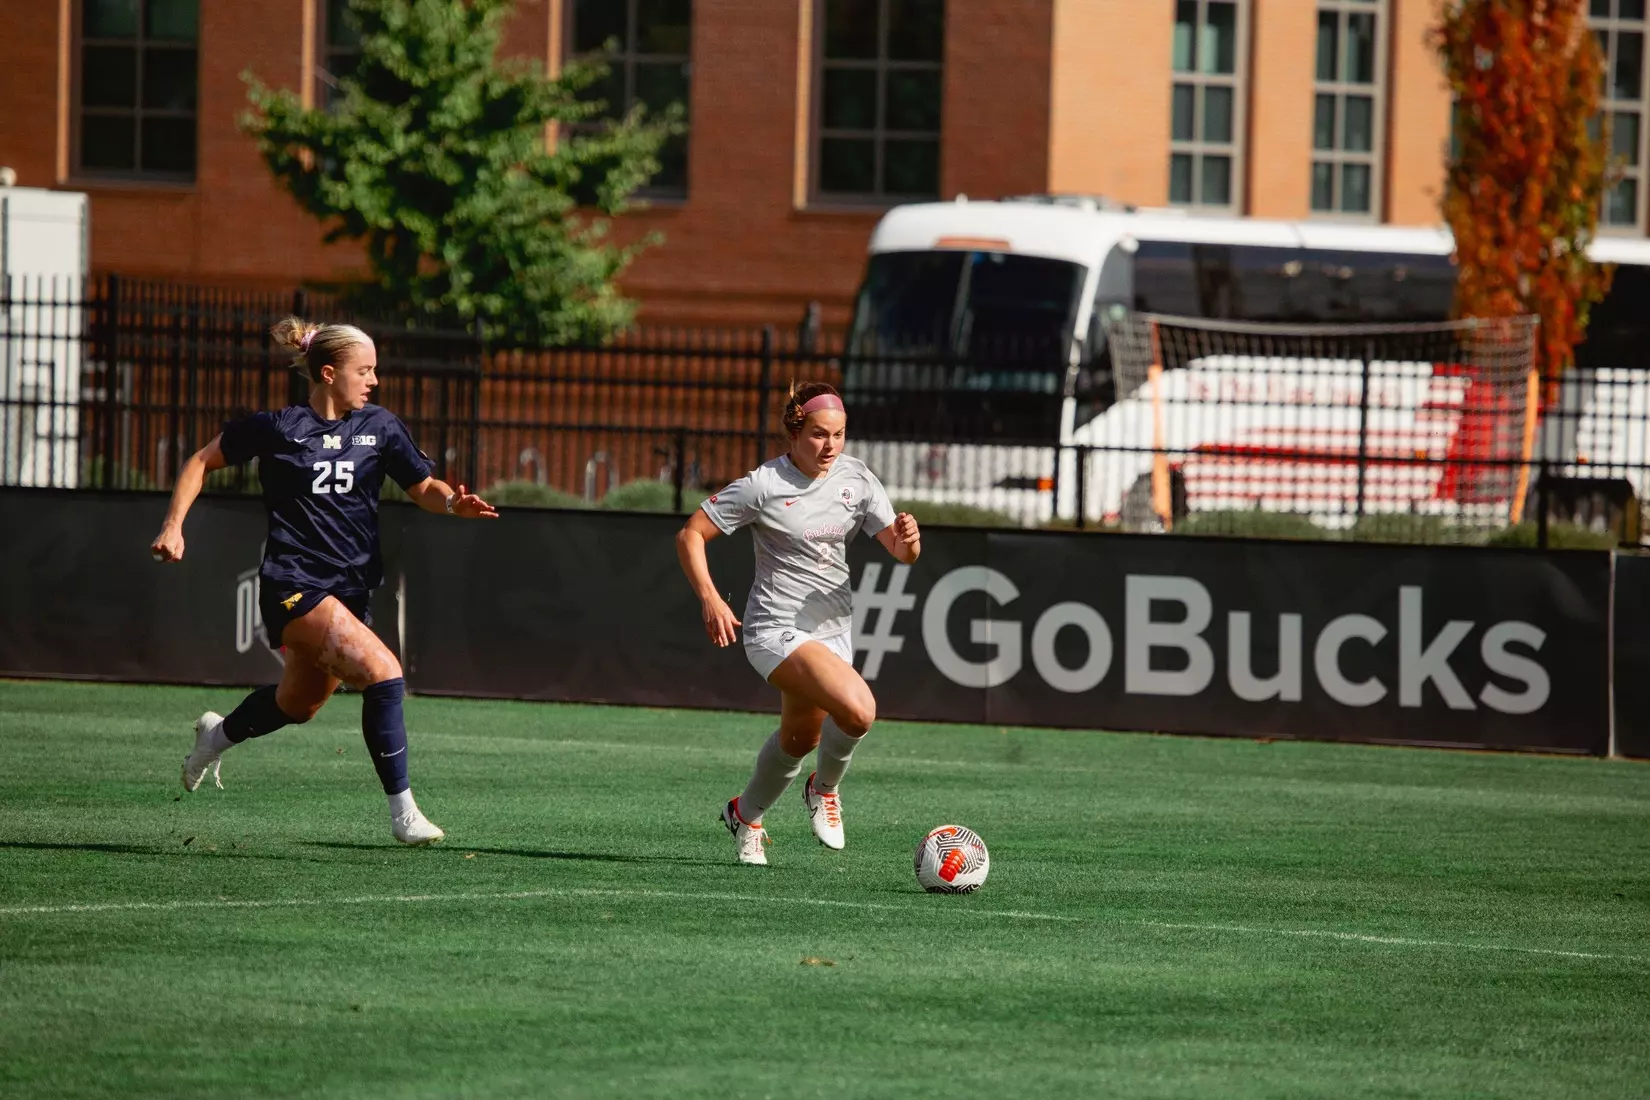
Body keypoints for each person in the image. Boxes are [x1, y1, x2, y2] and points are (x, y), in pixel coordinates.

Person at [149, 317, 498, 845]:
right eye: (366, 370)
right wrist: (174, 526)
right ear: (330, 373)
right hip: (293, 581)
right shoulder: (279, 426)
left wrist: (452, 502)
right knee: (384, 673)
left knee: (299, 705)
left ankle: (214, 736)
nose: (374, 380)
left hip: (350, 588)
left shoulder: (380, 426)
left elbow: (422, 484)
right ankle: (403, 813)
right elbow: (201, 460)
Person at [676, 382, 921, 865]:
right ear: (794, 432)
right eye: (818, 434)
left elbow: (901, 551)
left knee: (801, 739)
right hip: (773, 629)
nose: (829, 446)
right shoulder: (763, 484)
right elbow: (691, 535)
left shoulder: (857, 478)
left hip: (833, 631)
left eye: (839, 434)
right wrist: (710, 598)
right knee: (858, 710)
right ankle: (824, 788)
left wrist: (910, 539)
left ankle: (744, 816)